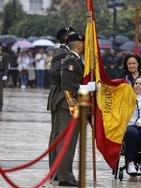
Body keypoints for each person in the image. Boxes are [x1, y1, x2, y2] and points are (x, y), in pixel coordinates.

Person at [57, 33, 96, 187]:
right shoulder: (70, 60)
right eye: (84, 44)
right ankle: (65, 176)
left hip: (73, 105)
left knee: (71, 143)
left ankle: (66, 175)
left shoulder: (77, 59)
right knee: (68, 142)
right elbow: (67, 85)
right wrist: (86, 88)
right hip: (68, 105)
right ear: (79, 45)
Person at [47, 27, 75, 181]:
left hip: (61, 96)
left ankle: (56, 170)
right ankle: (58, 171)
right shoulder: (63, 53)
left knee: (58, 135)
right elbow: (55, 73)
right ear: (66, 39)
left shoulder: (66, 53)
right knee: (60, 135)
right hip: (61, 97)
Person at [0, 44, 9, 112]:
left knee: (0, 91)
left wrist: (5, 74)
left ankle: (0, 105)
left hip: (1, 73)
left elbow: (6, 66)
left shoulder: (4, 55)